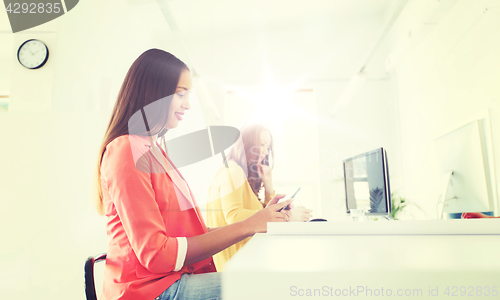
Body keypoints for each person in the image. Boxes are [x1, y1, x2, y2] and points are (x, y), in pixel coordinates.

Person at [93, 49, 293, 300]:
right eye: (180, 94)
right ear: (153, 92)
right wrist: (249, 225)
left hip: (169, 281)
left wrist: (257, 222)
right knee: (270, 286)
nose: (187, 104)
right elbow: (156, 254)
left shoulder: (154, 153)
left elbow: (191, 234)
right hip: (146, 291)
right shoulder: (125, 151)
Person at [206, 123, 312, 270]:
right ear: (246, 143)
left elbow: (261, 214)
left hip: (245, 262)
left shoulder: (238, 173)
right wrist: (288, 217)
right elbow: (234, 216)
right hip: (238, 266)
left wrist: (268, 186)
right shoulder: (234, 170)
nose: (266, 152)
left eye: (267, 147)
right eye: (262, 144)